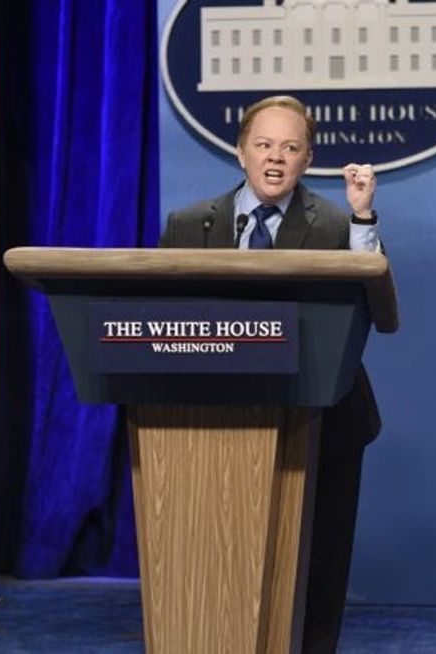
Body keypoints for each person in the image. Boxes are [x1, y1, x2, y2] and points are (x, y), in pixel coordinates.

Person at [160, 95, 383, 653]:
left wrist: (362, 218)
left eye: (290, 147)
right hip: (212, 422)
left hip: (323, 419)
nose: (275, 158)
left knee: (317, 558)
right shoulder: (189, 225)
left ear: (308, 160)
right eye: (264, 145)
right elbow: (159, 314)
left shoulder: (338, 224)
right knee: (215, 552)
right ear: (241, 153)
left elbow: (373, 304)